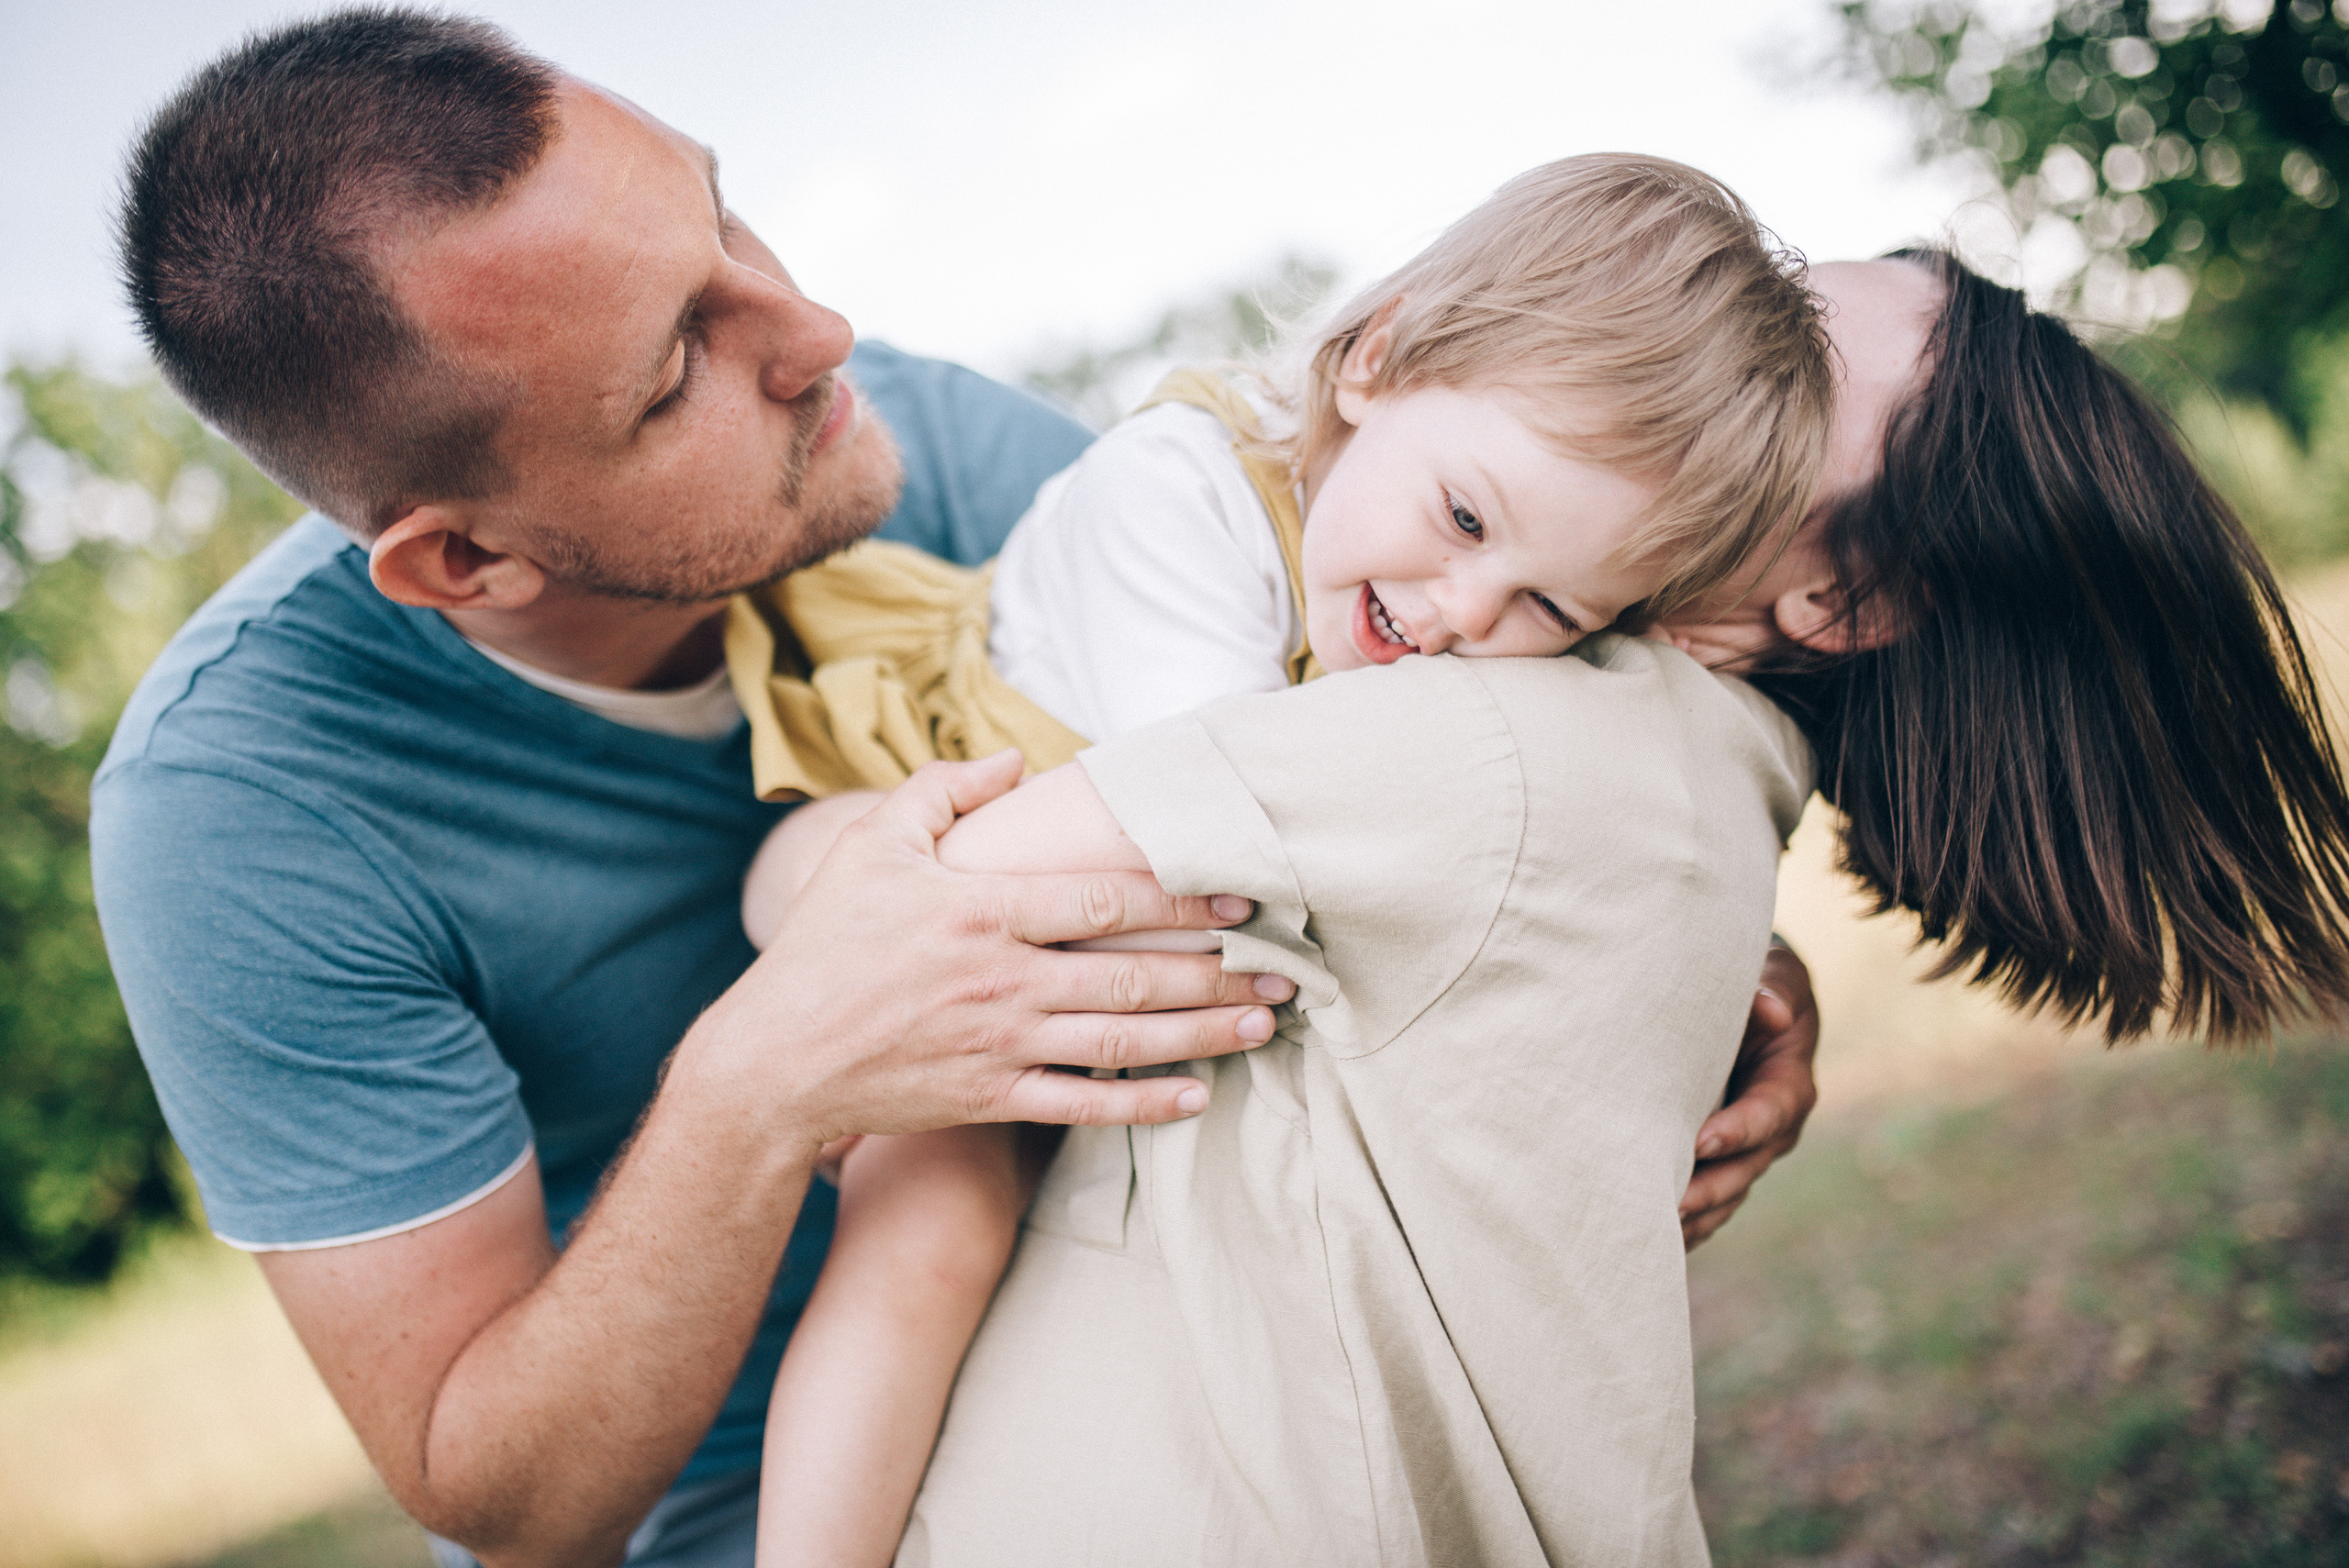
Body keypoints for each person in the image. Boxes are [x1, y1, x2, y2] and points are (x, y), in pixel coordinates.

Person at [88, 13, 1822, 1567]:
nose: (816, 329)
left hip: (1138, 1365)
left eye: (725, 221)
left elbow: (1341, 767)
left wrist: (1696, 969)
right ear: (467, 561)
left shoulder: (887, 434)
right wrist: (770, 1076)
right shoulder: (242, 812)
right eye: (677, 365)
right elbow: (517, 1509)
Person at [736, 151, 1833, 1567]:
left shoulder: (1414, 586)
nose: (1463, 612)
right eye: (1466, 519)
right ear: (1378, 356)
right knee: (929, 1237)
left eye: (1551, 608)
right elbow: (1221, 862)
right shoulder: (1180, 494)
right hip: (947, 865)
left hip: (1079, 934)